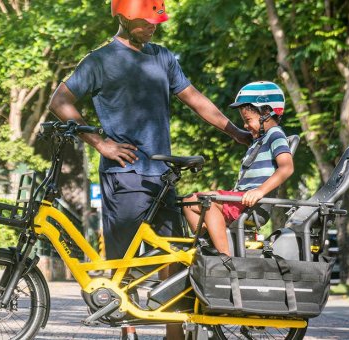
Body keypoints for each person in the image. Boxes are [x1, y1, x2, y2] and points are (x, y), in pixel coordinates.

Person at [47, 1, 250, 338]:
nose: (154, 26)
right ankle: (128, 331)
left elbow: (195, 98)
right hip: (123, 174)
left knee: (172, 258)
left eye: (157, 20)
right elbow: (60, 102)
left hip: (162, 176)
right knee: (123, 263)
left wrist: (235, 132)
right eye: (146, 21)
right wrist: (101, 143)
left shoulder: (162, 57)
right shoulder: (99, 61)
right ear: (123, 17)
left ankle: (175, 335)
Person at [182, 81, 294, 256]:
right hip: (239, 199)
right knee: (189, 202)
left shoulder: (276, 135)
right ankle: (208, 243)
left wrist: (259, 191)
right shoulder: (258, 140)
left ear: (266, 113)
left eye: (248, 120)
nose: (245, 126)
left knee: (207, 201)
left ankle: (224, 256)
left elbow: (286, 168)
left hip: (251, 203)